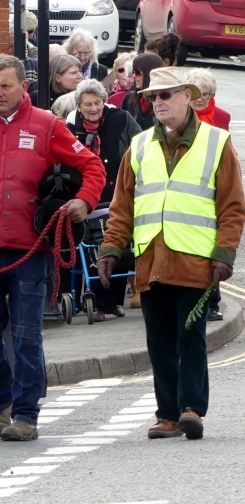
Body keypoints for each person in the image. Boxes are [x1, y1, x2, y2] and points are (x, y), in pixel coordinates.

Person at [0, 54, 105, 442]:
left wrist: (84, 202)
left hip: (29, 249)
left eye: (5, 86)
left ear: (23, 87)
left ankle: (26, 414)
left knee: (27, 334)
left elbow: (93, 166)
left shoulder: (46, 125)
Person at [97, 66, 245, 441]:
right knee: (158, 340)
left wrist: (224, 255)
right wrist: (110, 249)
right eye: (152, 97)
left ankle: (191, 408)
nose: (157, 103)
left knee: (189, 335)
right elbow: (122, 207)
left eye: (165, 95)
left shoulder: (216, 142)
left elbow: (232, 206)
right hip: (150, 261)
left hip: (195, 261)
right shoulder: (141, 145)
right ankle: (167, 414)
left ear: (187, 97)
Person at [65, 79, 142, 321]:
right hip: (85, 194)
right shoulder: (70, 125)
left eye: (97, 102)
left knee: (118, 242)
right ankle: (97, 304)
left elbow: (140, 144)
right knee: (91, 246)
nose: (93, 108)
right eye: (88, 104)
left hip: (118, 190)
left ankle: (115, 302)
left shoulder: (120, 118)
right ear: (79, 105)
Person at [186, 67, 231, 321]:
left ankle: (212, 302)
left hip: (216, 187)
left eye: (207, 94)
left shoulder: (222, 116)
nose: (201, 99)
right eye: (196, 94)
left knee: (214, 247)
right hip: (190, 189)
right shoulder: (180, 118)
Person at [121, 52, 164, 131]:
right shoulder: (129, 99)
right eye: (133, 72)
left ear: (149, 73)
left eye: (138, 72)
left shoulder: (163, 101)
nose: (134, 76)